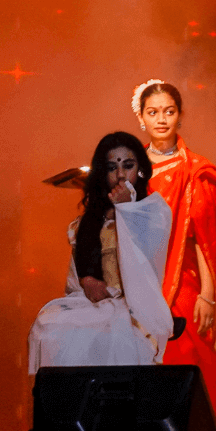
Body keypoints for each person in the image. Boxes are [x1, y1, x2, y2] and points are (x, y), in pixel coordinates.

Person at [28, 132, 173, 372]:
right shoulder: (90, 220)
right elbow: (77, 273)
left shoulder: (154, 211)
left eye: (128, 166)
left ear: (140, 170)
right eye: (112, 168)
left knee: (119, 338)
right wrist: (87, 280)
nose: (120, 175)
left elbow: (146, 262)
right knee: (48, 326)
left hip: (134, 306)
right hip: (94, 303)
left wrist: (126, 209)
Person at [134, 79, 216, 410]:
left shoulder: (196, 171)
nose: (161, 119)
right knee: (141, 375)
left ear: (180, 115)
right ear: (141, 118)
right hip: (137, 284)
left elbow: (204, 238)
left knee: (185, 363)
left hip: (184, 284)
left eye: (169, 111)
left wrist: (208, 293)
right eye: (153, 112)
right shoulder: (130, 169)